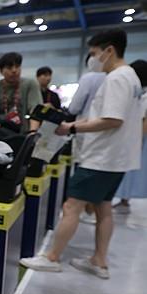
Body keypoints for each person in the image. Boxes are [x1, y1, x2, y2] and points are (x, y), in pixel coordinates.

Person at [20, 29, 144, 279]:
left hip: (101, 157)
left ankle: (52, 257)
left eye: (94, 54)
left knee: (72, 205)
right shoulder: (131, 78)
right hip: (117, 159)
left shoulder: (117, 78)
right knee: (103, 208)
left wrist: (72, 127)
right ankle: (99, 260)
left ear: (109, 50)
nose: (93, 59)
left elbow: (112, 120)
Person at [67, 55, 107, 224]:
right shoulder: (111, 77)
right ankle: (90, 209)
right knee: (98, 176)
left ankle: (79, 209)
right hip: (104, 135)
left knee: (82, 171)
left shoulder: (89, 78)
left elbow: (74, 106)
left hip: (85, 130)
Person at [113, 60, 147, 214]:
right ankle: (124, 198)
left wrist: (139, 139)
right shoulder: (138, 91)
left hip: (139, 137)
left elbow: (145, 119)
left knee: (132, 170)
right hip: (135, 135)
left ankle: (126, 198)